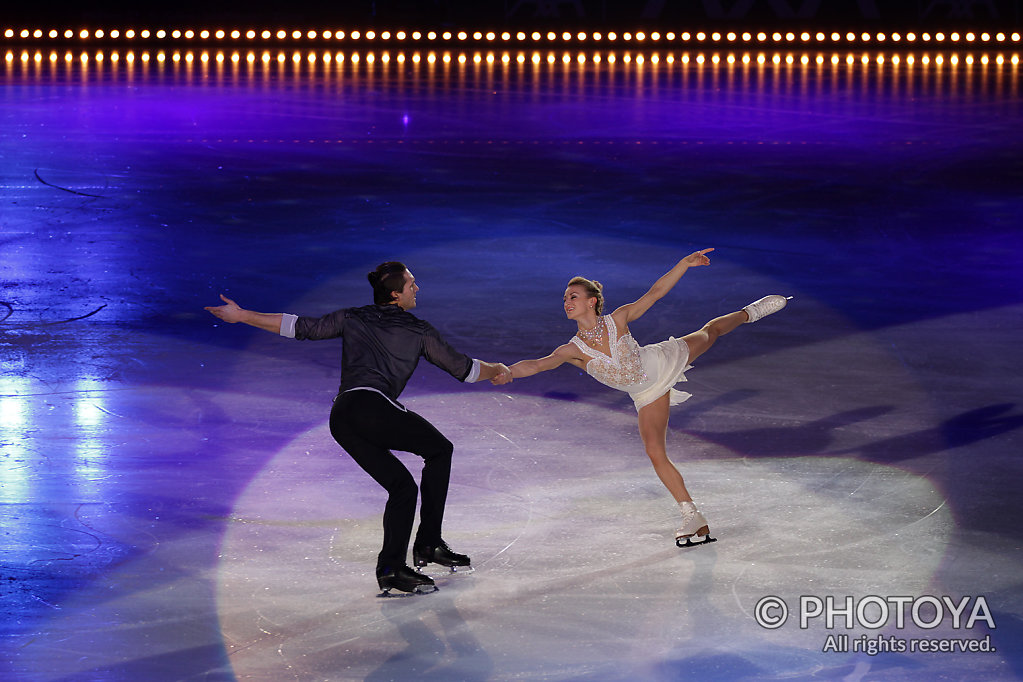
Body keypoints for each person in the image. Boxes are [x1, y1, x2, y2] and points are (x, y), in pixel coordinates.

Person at [205, 262, 510, 595]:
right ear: (396, 294)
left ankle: (392, 568)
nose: (416, 289)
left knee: (403, 488)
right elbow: (464, 370)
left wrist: (243, 315)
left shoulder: (353, 317)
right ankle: (428, 545)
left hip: (342, 416)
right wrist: (499, 369)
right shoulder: (418, 331)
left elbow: (301, 326)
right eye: (411, 284)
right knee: (440, 450)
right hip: (372, 408)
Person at [492, 249, 789, 547]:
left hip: (661, 361)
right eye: (565, 299)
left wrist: (684, 264)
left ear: (591, 301)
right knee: (654, 452)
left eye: (573, 297)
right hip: (647, 393)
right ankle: (692, 515)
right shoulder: (572, 350)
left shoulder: (618, 319)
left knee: (710, 332)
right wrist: (507, 371)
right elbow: (539, 364)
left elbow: (656, 292)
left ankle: (751, 312)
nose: (567, 303)